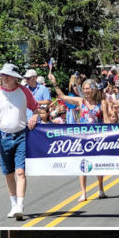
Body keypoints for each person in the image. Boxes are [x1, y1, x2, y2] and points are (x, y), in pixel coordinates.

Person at [0, 63, 39, 220]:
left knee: (20, 172)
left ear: (15, 78)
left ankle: (20, 206)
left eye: (7, 75)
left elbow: (35, 108)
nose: (3, 78)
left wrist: (34, 117)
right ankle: (13, 204)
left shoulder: (24, 92)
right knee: (8, 173)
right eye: (2, 75)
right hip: (4, 137)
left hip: (21, 135)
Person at [49, 73, 110, 201]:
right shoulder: (80, 101)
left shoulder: (101, 102)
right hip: (82, 137)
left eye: (88, 88)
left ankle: (100, 188)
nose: (86, 91)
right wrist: (54, 83)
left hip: (97, 137)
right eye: (84, 89)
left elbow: (106, 120)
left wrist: (111, 132)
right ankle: (83, 193)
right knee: (82, 164)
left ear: (93, 89)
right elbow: (62, 97)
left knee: (98, 164)